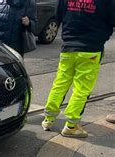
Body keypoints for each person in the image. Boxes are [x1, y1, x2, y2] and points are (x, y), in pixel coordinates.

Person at [42, 0, 114, 137]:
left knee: (60, 83)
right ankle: (71, 126)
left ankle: (48, 119)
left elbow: (58, 15)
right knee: (82, 88)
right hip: (91, 48)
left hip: (68, 46)